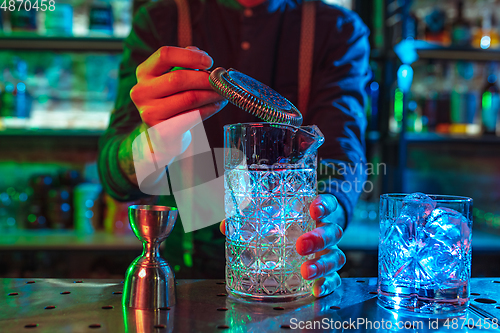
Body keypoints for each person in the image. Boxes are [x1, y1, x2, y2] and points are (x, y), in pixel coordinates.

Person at [98, 0, 370, 298]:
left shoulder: (337, 29)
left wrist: (327, 219)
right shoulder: (161, 19)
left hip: (288, 275)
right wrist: (151, 145)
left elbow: (342, 154)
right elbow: (115, 177)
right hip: (183, 281)